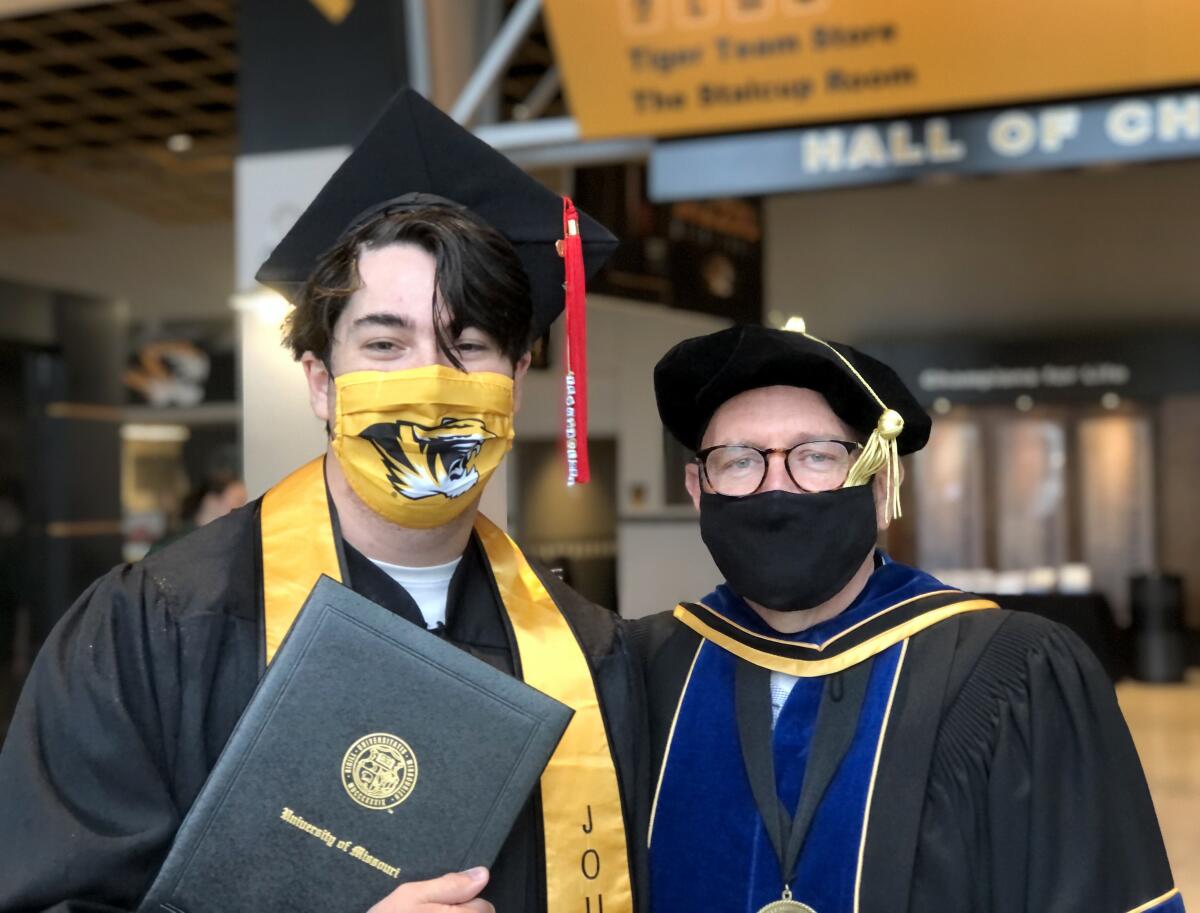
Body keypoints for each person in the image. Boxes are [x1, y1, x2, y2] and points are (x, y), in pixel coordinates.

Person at [0, 90, 646, 913]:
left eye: (469, 344)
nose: (432, 378)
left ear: (517, 380)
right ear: (320, 383)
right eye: (385, 343)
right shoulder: (157, 628)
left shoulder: (591, 654)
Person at [635, 322, 1183, 913]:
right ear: (698, 488)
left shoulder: (1013, 673)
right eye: (739, 462)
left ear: (882, 484)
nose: (778, 488)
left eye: (816, 457)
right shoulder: (644, 672)